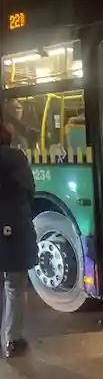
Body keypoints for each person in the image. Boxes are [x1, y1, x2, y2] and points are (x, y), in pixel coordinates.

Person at [0, 122, 37, 358]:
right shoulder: (19, 160)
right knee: (14, 287)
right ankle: (12, 340)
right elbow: (29, 192)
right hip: (15, 231)